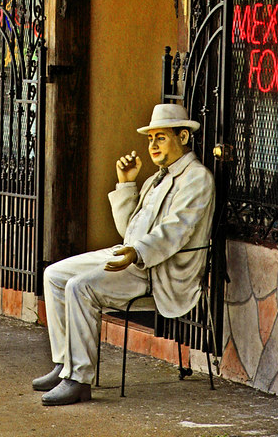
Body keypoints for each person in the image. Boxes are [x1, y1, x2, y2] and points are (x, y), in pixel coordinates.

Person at [33, 102, 215, 406]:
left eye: (161, 138)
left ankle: (78, 379)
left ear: (183, 136)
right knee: (54, 275)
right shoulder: (156, 178)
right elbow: (128, 228)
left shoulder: (197, 178)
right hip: (131, 254)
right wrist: (127, 182)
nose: (152, 145)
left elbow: (176, 230)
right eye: (150, 138)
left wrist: (138, 251)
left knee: (80, 287)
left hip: (158, 269)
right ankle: (65, 363)